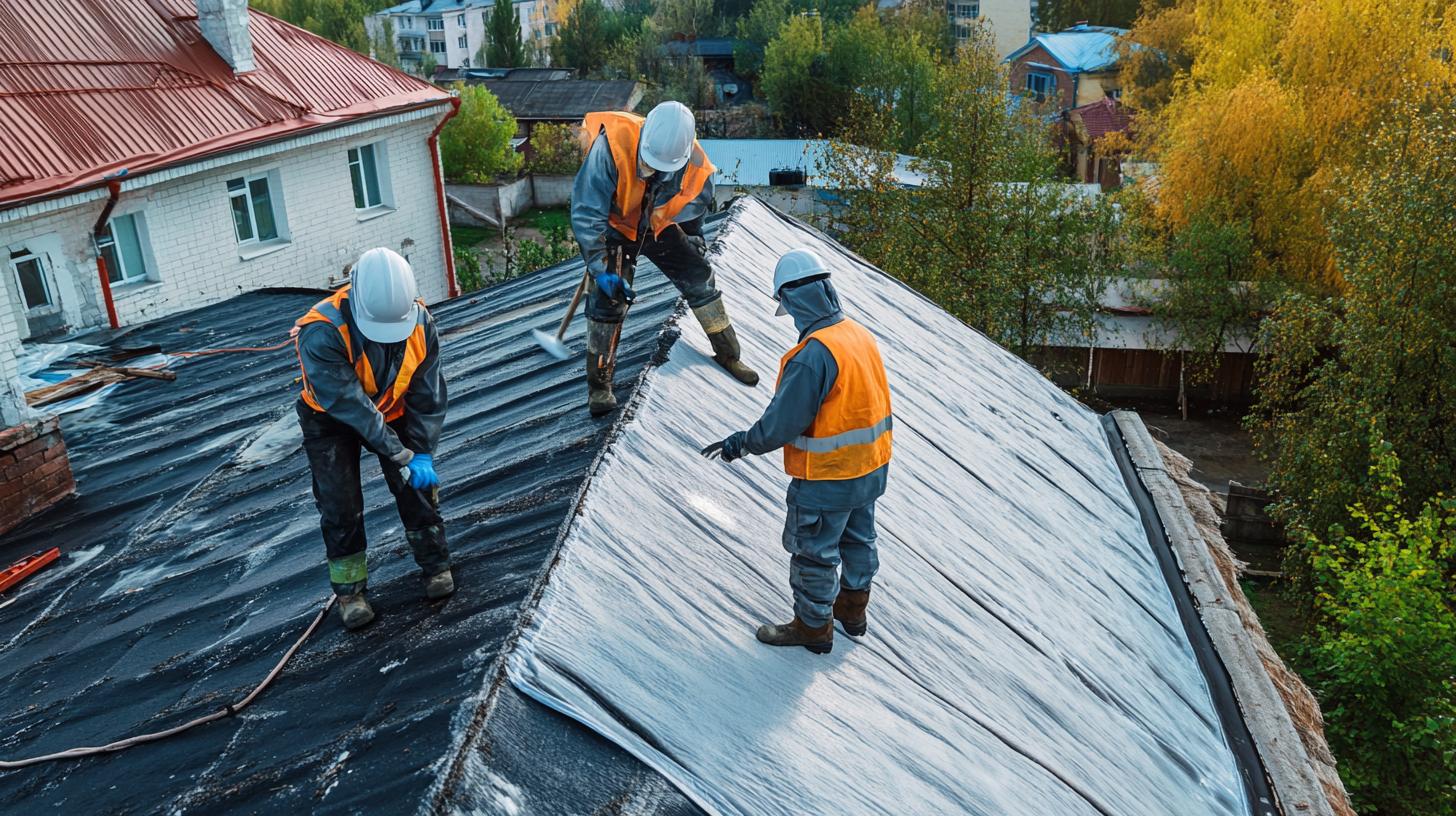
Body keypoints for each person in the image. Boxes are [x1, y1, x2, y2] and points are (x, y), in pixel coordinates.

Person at [702, 248, 892, 655]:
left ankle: (813, 626)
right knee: (859, 539)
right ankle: (853, 611)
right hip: (871, 469)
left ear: (792, 300)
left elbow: (782, 424)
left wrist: (740, 443)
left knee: (814, 551)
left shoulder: (812, 356)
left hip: (828, 477)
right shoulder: (858, 335)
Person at [294, 248, 451, 630]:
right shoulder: (322, 333)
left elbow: (426, 393)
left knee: (415, 487)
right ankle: (350, 592)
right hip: (330, 417)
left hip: (393, 409)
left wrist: (422, 451)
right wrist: (401, 454)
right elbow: (354, 409)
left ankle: (435, 566)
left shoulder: (419, 321)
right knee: (340, 503)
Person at [571, 100, 759, 416]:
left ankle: (728, 354)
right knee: (607, 299)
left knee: (699, 278)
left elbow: (693, 211)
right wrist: (601, 268)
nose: (654, 170)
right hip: (617, 226)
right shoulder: (610, 147)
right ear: (644, 137)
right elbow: (587, 213)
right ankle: (599, 387)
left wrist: (694, 244)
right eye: (649, 162)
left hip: (657, 226)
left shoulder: (696, 165)